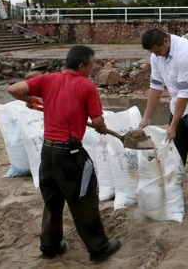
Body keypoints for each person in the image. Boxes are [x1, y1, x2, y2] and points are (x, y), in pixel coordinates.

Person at [7, 45, 121, 262]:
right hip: (70, 153)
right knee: (84, 199)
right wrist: (101, 126)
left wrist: (28, 99)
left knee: (52, 200)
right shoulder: (86, 86)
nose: (92, 69)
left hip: (48, 151)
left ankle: (49, 247)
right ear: (81, 66)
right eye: (91, 65)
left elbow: (13, 90)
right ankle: (99, 248)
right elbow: (97, 121)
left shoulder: (48, 79)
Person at [139, 29, 188, 222]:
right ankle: (173, 199)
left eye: (157, 51)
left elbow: (186, 93)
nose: (155, 56)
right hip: (178, 103)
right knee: (174, 155)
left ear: (166, 41)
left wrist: (173, 125)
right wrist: (146, 118)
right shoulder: (156, 56)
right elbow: (156, 86)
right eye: (152, 53)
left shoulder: (186, 53)